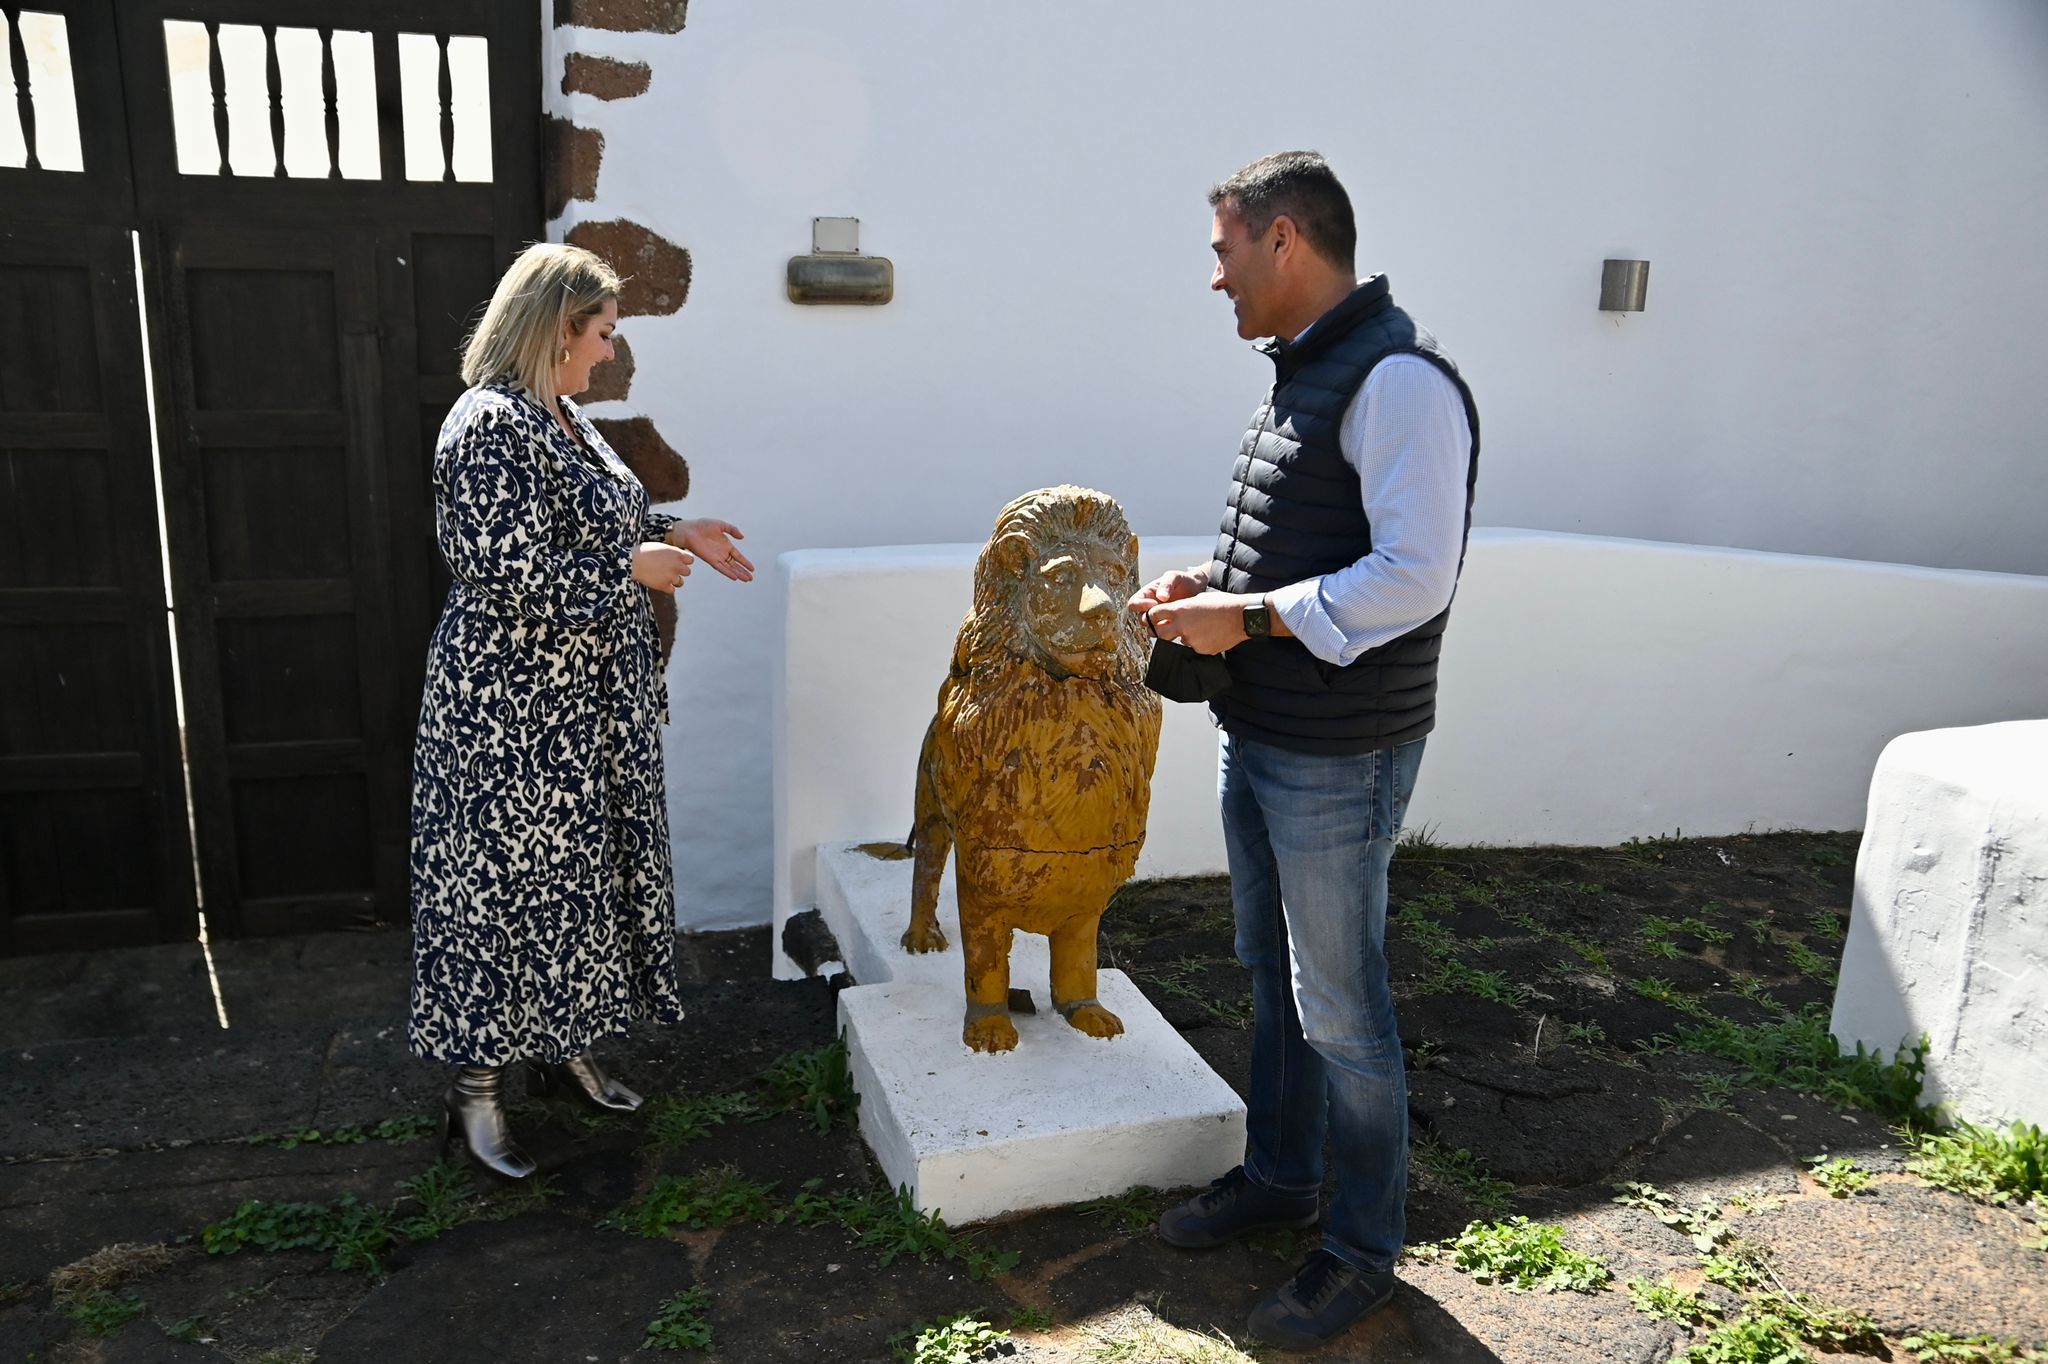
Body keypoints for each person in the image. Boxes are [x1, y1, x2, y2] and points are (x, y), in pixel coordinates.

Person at [1130, 151, 1479, 1349]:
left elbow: (1411, 575)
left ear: (1285, 240)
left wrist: (1256, 613)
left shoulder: (1398, 381)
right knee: (1271, 978)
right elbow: (1307, 540)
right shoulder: (1305, 374)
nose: (1213, 276)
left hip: (1340, 753)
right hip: (1266, 731)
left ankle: (1362, 1243)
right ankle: (1280, 1176)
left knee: (1341, 1004)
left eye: (1223, 249)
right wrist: (1214, 586)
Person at [408, 242, 754, 1180]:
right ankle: (475, 1093)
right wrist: (627, 572)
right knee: (499, 895)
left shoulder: (560, 416)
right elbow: (502, 567)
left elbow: (592, 523)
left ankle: (565, 1051)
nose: (609, 352)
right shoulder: (488, 424)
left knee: (581, 882)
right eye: (601, 333)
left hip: (583, 705)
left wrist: (673, 530)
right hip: (510, 713)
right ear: (557, 329)